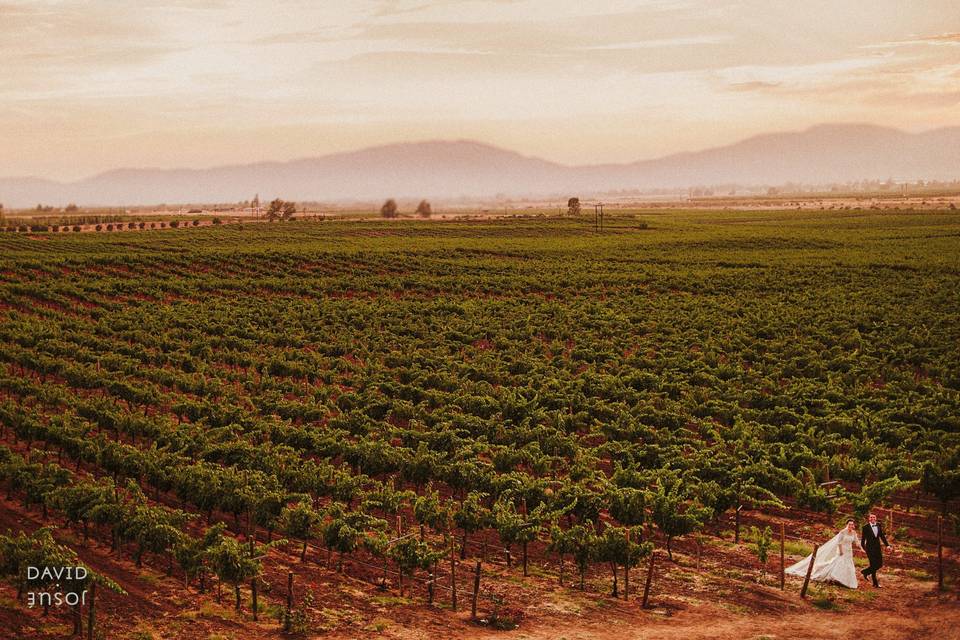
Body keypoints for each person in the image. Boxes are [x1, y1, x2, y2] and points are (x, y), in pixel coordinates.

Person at [785, 518, 860, 588]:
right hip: (842, 550)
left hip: (849, 551)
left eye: (852, 524)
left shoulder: (853, 533)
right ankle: (834, 577)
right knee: (838, 563)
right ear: (847, 525)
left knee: (848, 565)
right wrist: (840, 551)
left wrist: (863, 548)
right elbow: (839, 543)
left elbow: (857, 542)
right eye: (849, 524)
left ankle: (846, 581)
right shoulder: (842, 532)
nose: (851, 526)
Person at [860, 512, 892, 587]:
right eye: (871, 517)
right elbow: (863, 540)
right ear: (869, 519)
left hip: (877, 548)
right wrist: (865, 549)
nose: (872, 518)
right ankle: (875, 583)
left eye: (874, 517)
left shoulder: (878, 525)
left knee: (880, 564)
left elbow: (882, 536)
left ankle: (865, 572)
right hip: (869, 549)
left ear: (876, 518)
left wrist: (887, 545)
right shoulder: (865, 527)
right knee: (873, 564)